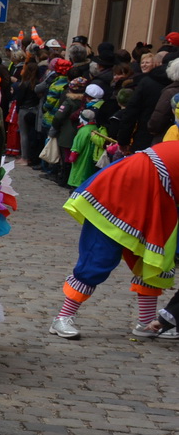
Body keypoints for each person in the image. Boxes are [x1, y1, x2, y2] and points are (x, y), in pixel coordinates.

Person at [51, 139, 179, 340]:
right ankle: (63, 316)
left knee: (153, 257)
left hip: (157, 196)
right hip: (125, 188)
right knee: (100, 255)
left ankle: (146, 322)